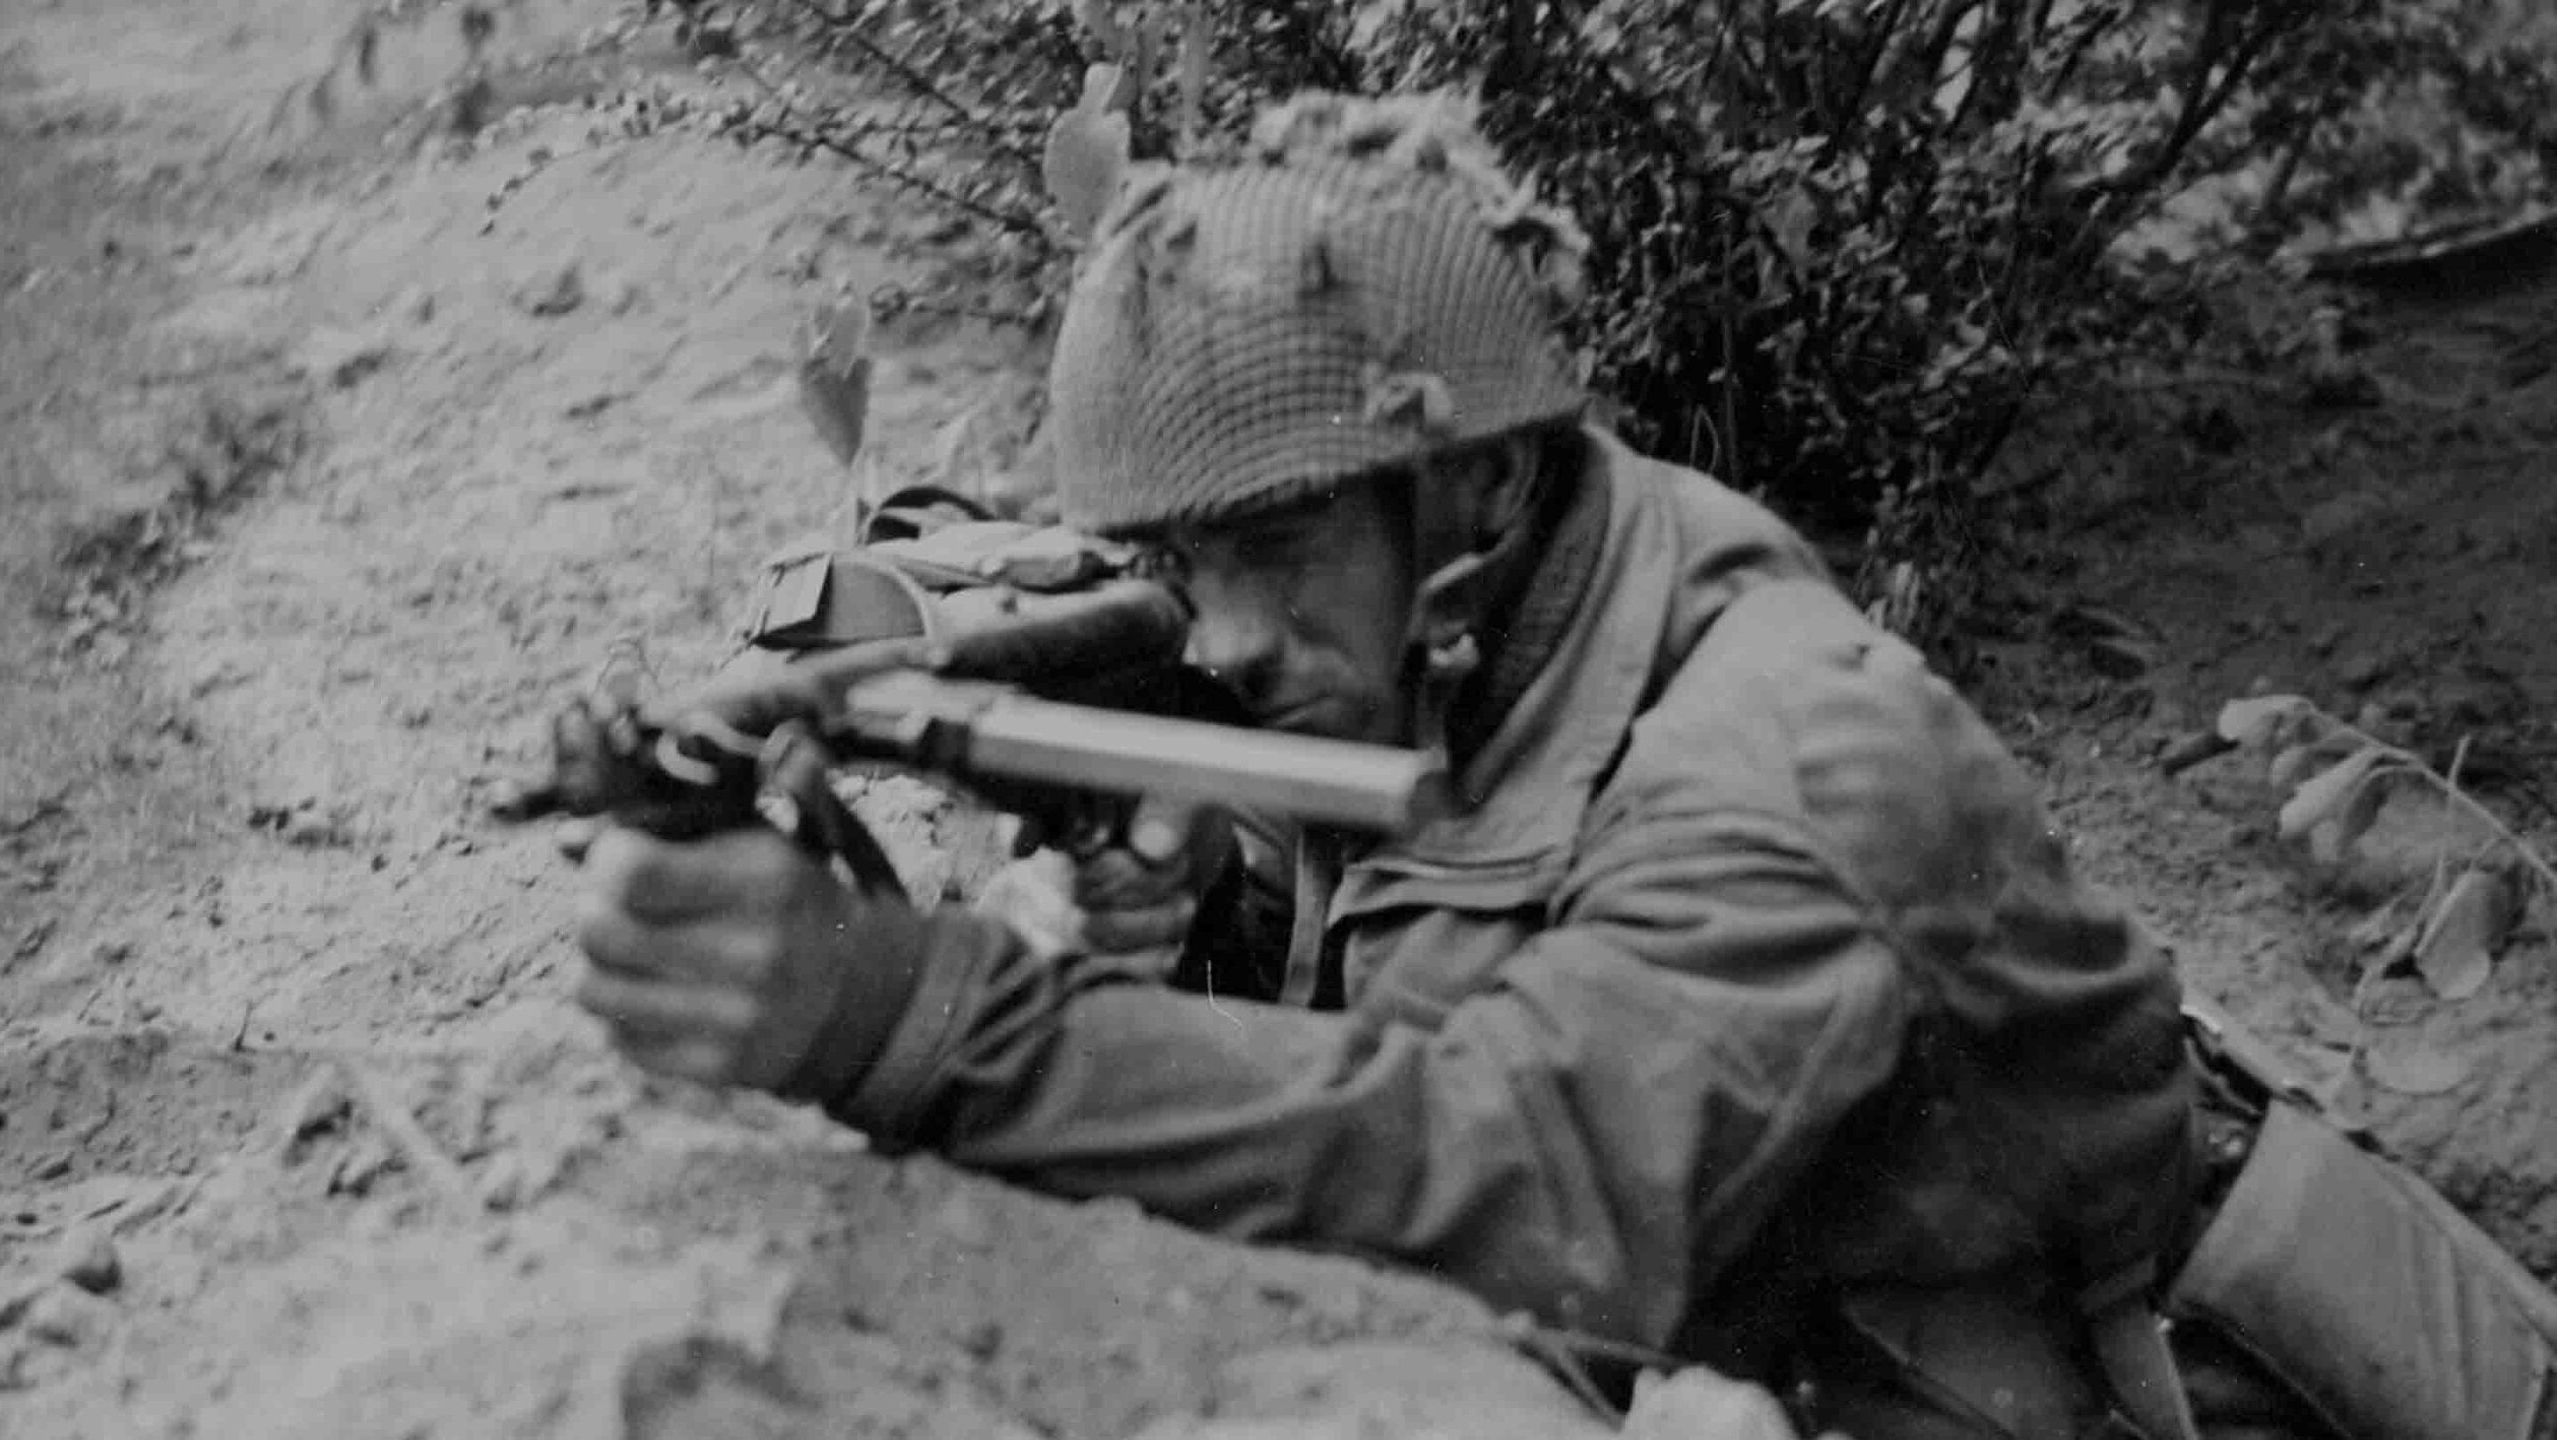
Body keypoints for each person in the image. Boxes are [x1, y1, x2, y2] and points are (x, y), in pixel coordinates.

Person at [565, 95, 2520, 1439]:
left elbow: (1516, 1167)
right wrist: (1163, 868)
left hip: (2164, 1392)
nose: (1223, 634)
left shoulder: (1787, 763)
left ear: (1473, 487)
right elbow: (1257, 688)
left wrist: (922, 1017)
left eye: (1269, 553)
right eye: (1185, 562)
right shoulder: (1518, 566)